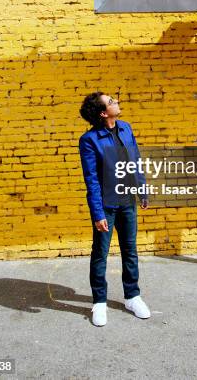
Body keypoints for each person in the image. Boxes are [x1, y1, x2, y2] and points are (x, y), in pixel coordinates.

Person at [79, 92, 151, 327]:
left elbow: (136, 161)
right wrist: (98, 213)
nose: (116, 102)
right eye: (111, 102)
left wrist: (142, 189)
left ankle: (132, 296)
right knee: (101, 253)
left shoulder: (126, 128)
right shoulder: (90, 140)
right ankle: (99, 301)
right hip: (107, 205)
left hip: (127, 200)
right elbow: (91, 179)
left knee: (130, 250)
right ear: (102, 113)